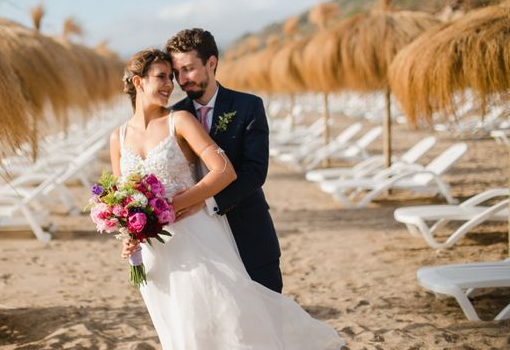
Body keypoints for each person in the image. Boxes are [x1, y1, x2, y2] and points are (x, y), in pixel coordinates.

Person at [110, 47, 343, 350]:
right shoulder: (118, 136)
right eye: (162, 77)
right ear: (138, 82)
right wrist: (129, 234)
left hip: (196, 237)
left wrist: (171, 206)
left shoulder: (179, 120)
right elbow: (122, 197)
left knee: (225, 317)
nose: (171, 83)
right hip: (155, 250)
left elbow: (225, 170)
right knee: (176, 325)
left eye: (173, 76)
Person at [165, 27, 282, 293]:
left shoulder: (248, 106)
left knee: (269, 311)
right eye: (177, 72)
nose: (182, 80)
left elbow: (255, 171)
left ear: (212, 63)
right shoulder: (172, 116)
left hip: (248, 230)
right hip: (196, 240)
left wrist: (206, 201)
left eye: (189, 69)